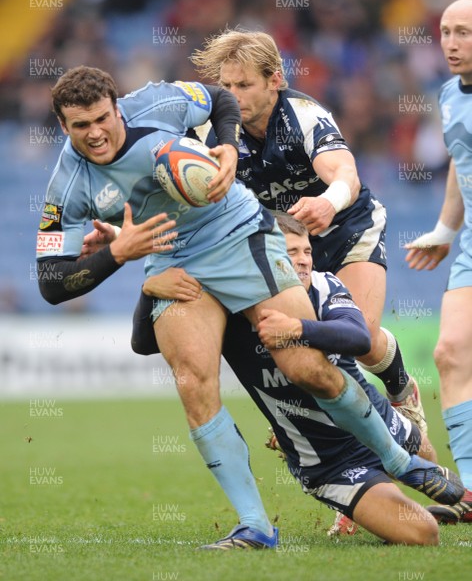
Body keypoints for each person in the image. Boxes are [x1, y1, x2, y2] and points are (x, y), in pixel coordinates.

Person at [39, 66, 462, 552]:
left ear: (117, 106)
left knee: (307, 366)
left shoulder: (159, 102)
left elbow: (219, 97)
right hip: (174, 262)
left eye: (101, 118)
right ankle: (255, 526)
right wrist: (117, 253)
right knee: (194, 384)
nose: (94, 133)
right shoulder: (64, 188)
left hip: (239, 233)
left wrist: (224, 143)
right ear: (62, 125)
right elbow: (51, 282)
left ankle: (400, 459)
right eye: (79, 125)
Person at [135, 213, 441, 546]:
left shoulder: (324, 285)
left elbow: (359, 338)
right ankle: (363, 497)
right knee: (423, 533)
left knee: (432, 463)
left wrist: (299, 329)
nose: (304, 261)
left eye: (307, 251)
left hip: (378, 417)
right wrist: (149, 288)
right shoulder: (229, 309)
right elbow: (144, 343)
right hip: (330, 462)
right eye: (291, 252)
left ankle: (395, 443)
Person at [189, 29, 427, 434]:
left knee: (361, 338)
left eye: (244, 85)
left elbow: (345, 175)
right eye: (226, 86)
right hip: (284, 243)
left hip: (345, 227)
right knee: (295, 341)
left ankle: (401, 390)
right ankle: (306, 421)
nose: (232, 96)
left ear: (275, 80)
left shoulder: (303, 115)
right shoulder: (207, 132)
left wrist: (327, 203)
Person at [405, 0, 472, 525]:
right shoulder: (449, 95)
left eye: (465, 32)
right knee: (450, 353)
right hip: (470, 246)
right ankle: (470, 488)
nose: (452, 42)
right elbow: (459, 160)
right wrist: (446, 230)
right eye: (447, 31)